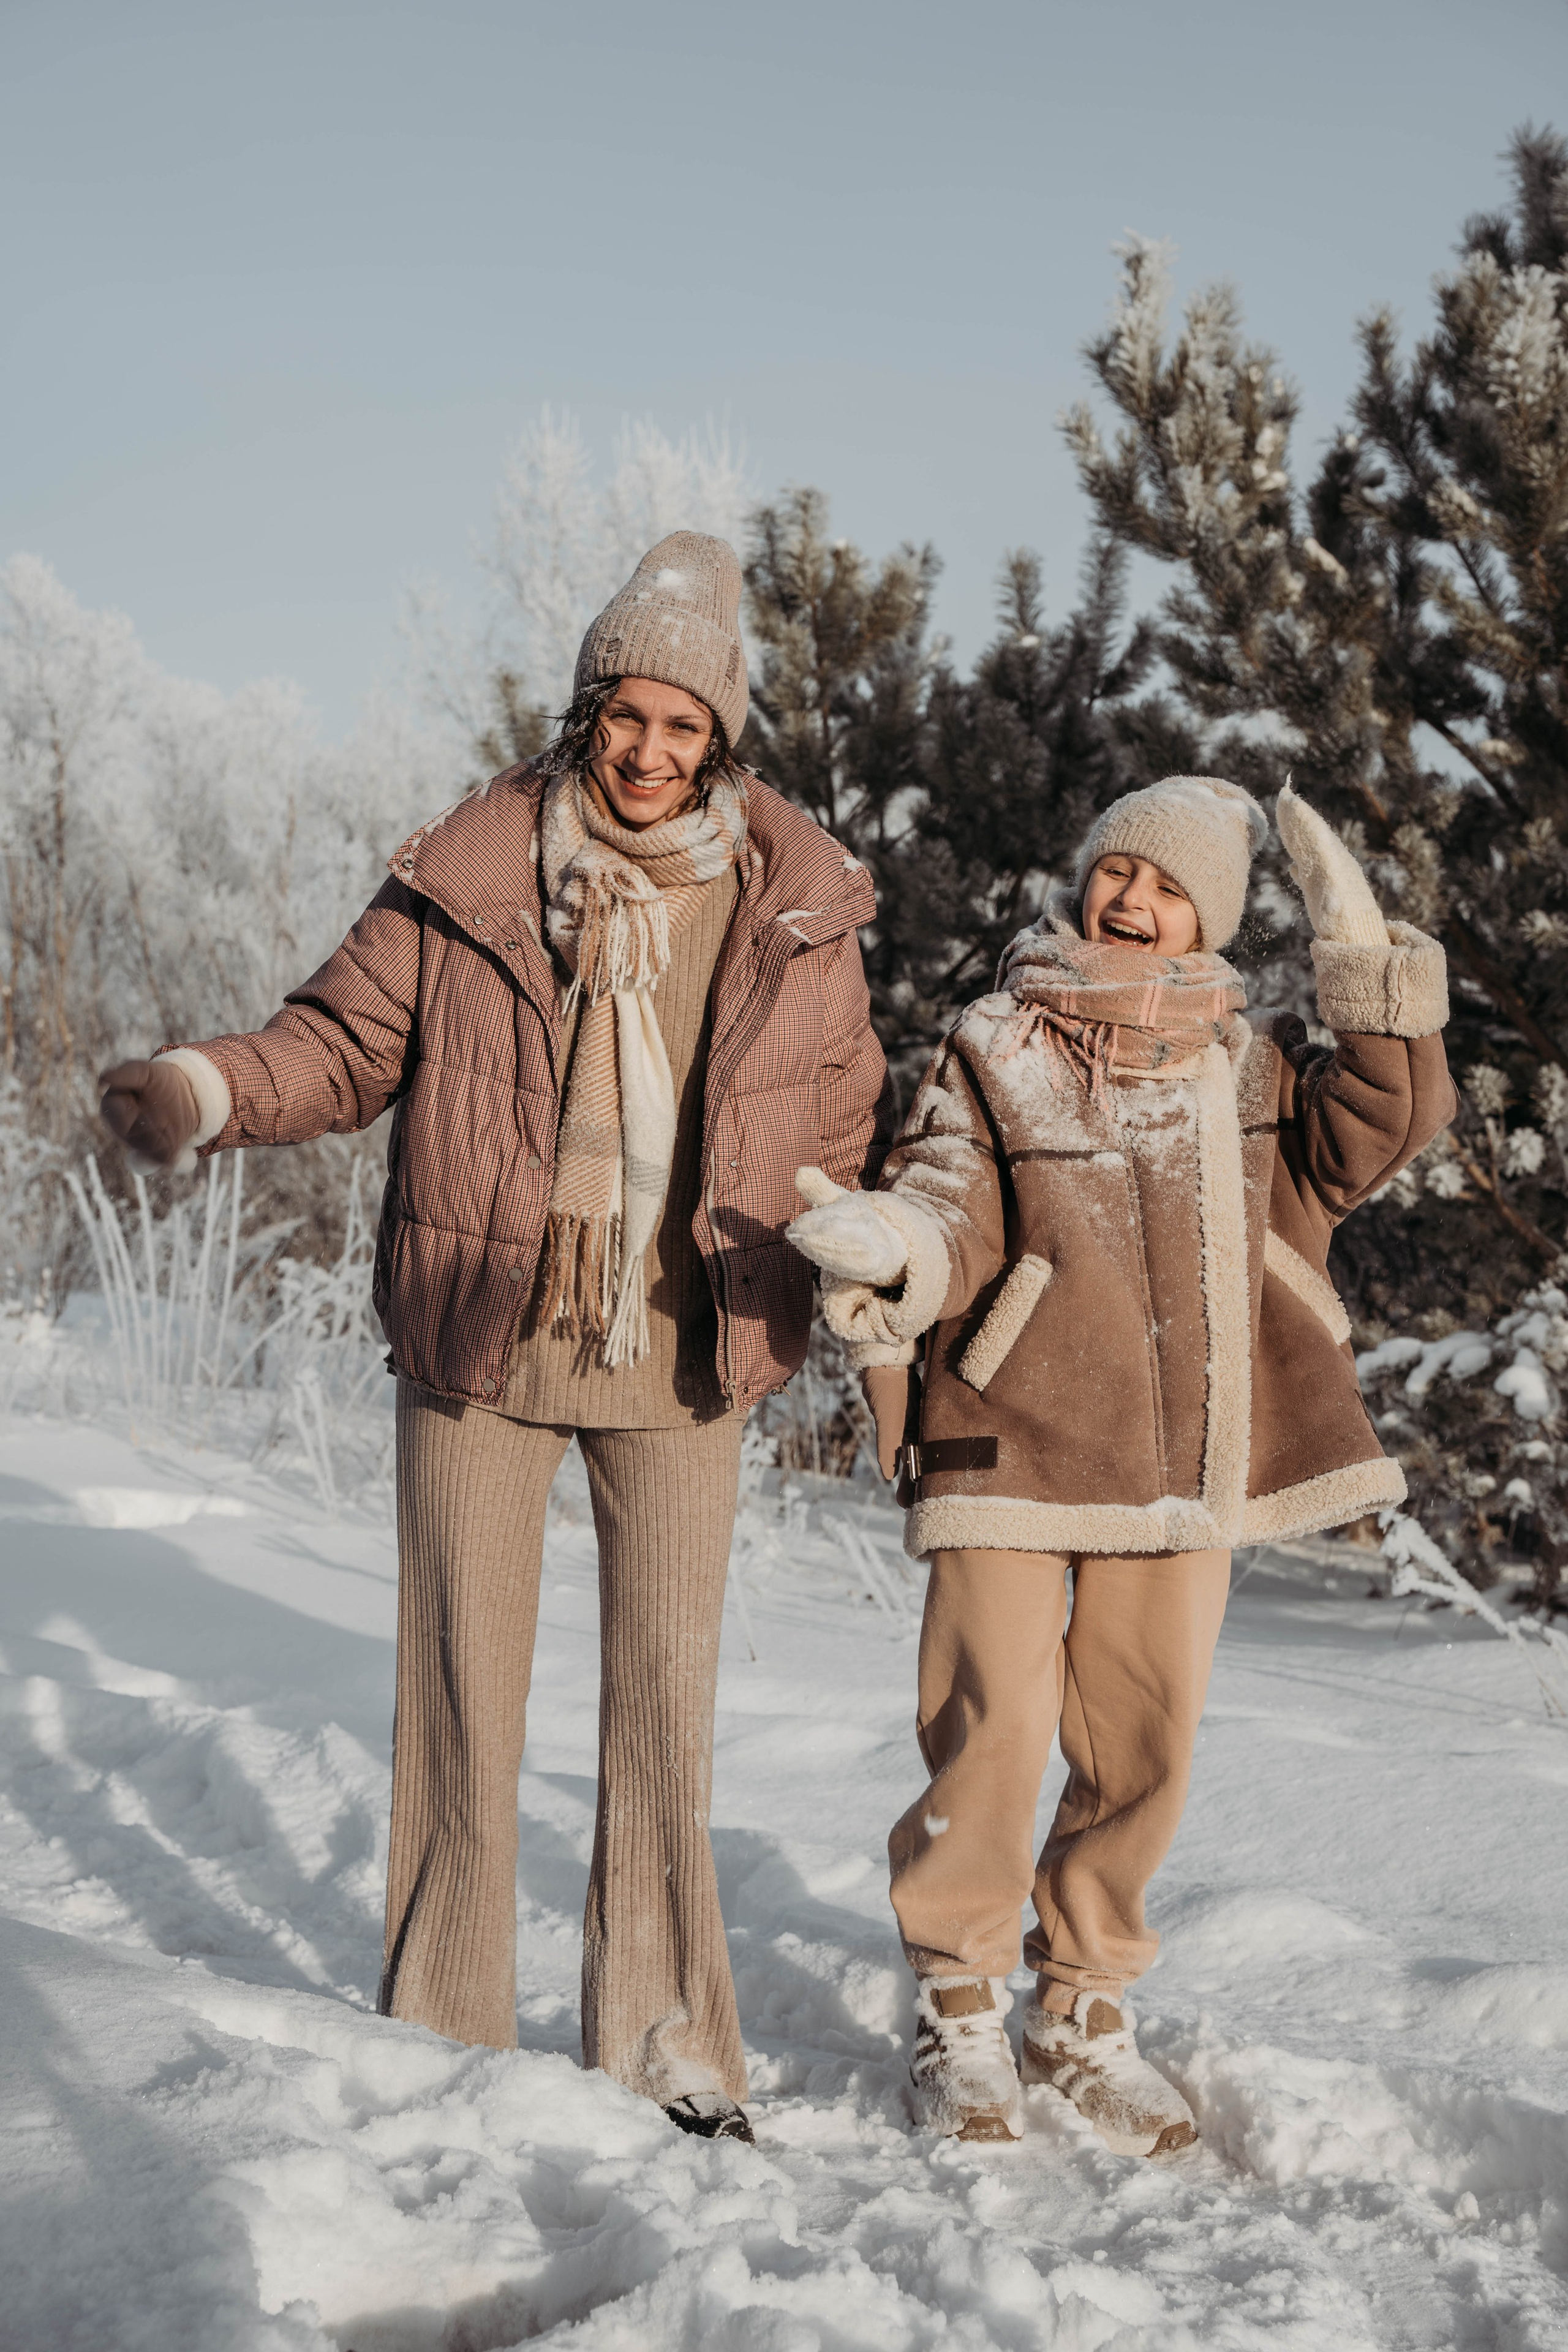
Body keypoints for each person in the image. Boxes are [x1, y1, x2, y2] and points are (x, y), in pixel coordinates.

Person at [99, 532, 892, 2144]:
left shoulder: (789, 902)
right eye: (626, 712)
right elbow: (338, 1043)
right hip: (485, 1343)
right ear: (587, 709)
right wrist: (203, 1087)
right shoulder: (474, 871)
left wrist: (863, 1255)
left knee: (667, 1712)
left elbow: (842, 1110)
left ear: (722, 737)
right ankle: (446, 2039)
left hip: (687, 1354)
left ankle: (664, 2037)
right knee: (462, 1700)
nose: (650, 750)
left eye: (684, 724)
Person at [786, 775, 1455, 2152]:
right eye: (1116, 875)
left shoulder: (1253, 1067)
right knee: (995, 1729)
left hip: (1179, 1463)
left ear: (1204, 914)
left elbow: (1385, 1125)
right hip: (1007, 1443)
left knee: (1140, 1744)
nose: (1133, 903)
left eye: (1167, 888)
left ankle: (1080, 2004)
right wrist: (897, 1251)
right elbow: (947, 1200)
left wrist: (1360, 960)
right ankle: (959, 1999)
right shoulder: (996, 1042)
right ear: (1083, 879)